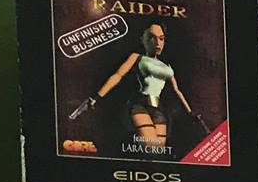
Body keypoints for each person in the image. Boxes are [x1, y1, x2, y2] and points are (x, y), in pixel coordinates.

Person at [72, 23, 192, 155]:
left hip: (158, 109)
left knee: (158, 151)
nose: (157, 43)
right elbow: (118, 75)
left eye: (161, 38)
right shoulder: (137, 57)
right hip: (140, 104)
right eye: (151, 37)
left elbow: (177, 90)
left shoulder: (167, 66)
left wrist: (191, 113)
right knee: (150, 147)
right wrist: (96, 97)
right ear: (142, 39)